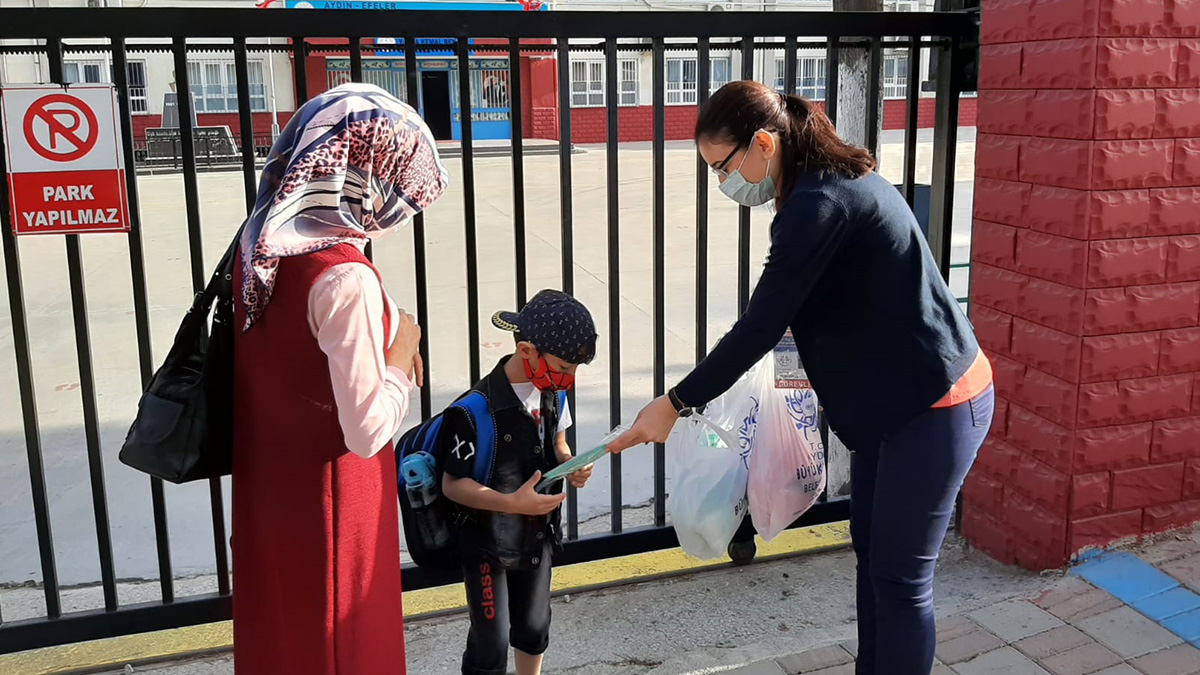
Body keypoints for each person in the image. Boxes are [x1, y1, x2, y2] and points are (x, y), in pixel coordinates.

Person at [606, 80, 995, 675]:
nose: (722, 183)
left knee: (901, 579)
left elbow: (760, 325)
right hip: (889, 406)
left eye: (722, 167)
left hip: (936, 403)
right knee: (872, 555)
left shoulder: (820, 204)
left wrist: (676, 402)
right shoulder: (812, 188)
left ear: (763, 142)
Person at [231, 83, 449, 675]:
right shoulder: (343, 278)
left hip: (273, 483)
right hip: (334, 496)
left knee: (282, 631)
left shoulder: (260, 243)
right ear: (363, 176)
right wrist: (401, 358)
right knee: (344, 642)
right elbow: (366, 429)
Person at [440, 289, 598, 675]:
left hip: (535, 533)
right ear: (527, 351)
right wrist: (512, 503)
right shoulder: (472, 410)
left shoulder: (552, 391)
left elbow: (557, 442)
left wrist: (569, 463)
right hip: (485, 541)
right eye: (564, 365)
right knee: (490, 641)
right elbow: (451, 484)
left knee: (533, 625)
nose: (570, 378)